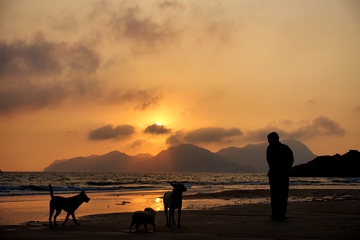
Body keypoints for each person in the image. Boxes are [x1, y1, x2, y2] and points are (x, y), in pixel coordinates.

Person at [266, 132, 294, 220]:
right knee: (280, 194)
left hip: (278, 173)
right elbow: (291, 159)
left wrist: (285, 168)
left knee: (277, 194)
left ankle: (278, 213)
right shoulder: (283, 148)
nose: (268, 141)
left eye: (269, 139)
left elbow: (270, 161)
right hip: (279, 173)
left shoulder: (274, 148)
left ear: (275, 139)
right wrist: (286, 168)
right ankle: (278, 213)